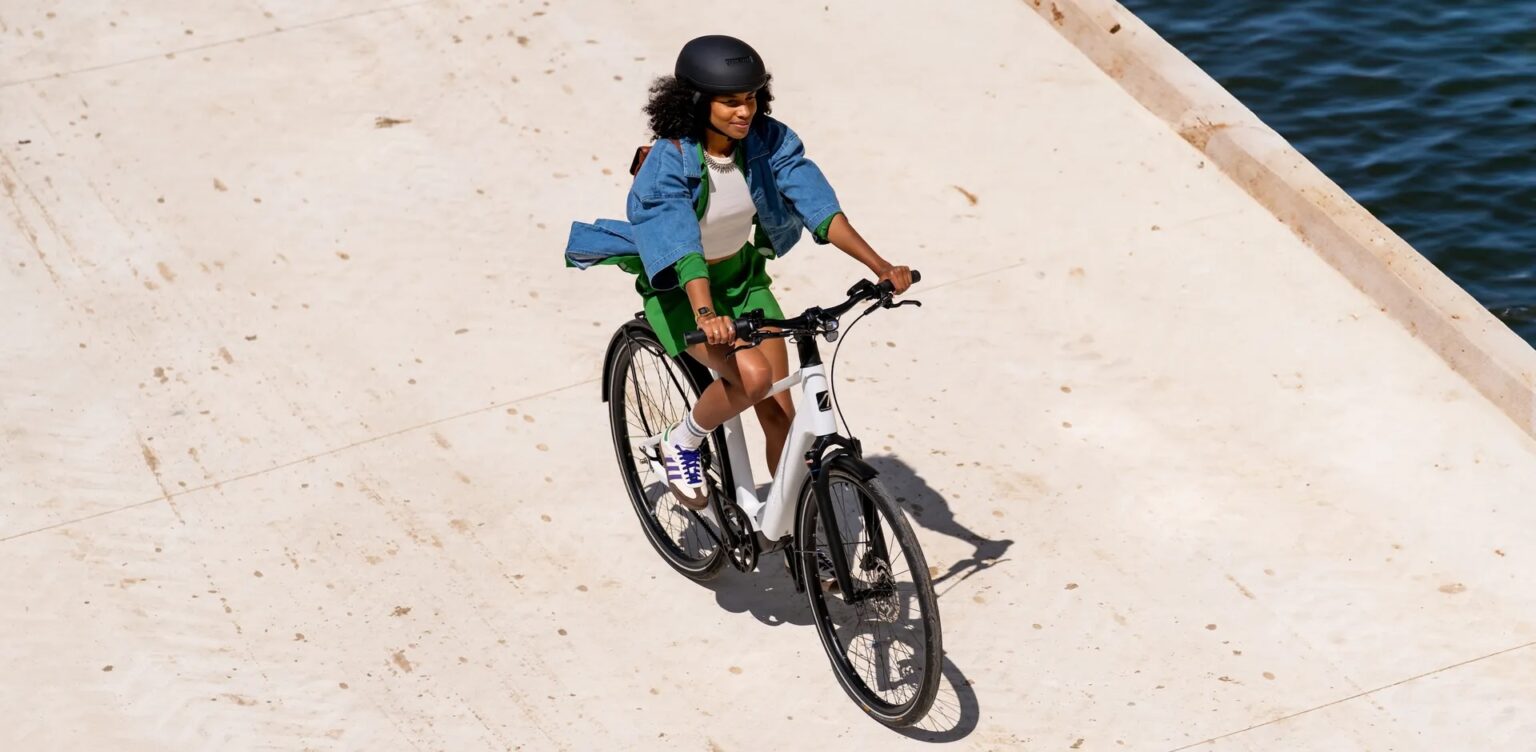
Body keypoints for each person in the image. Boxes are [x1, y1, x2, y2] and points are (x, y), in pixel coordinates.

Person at [565, 35, 914, 510]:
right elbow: (680, 242)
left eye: (750, 98)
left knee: (780, 417)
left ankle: (801, 532)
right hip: (684, 291)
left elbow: (820, 207)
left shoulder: (767, 142)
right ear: (696, 102)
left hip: (743, 280)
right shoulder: (670, 161)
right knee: (751, 378)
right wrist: (706, 312)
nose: (744, 111)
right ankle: (683, 442)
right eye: (730, 102)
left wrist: (881, 266)